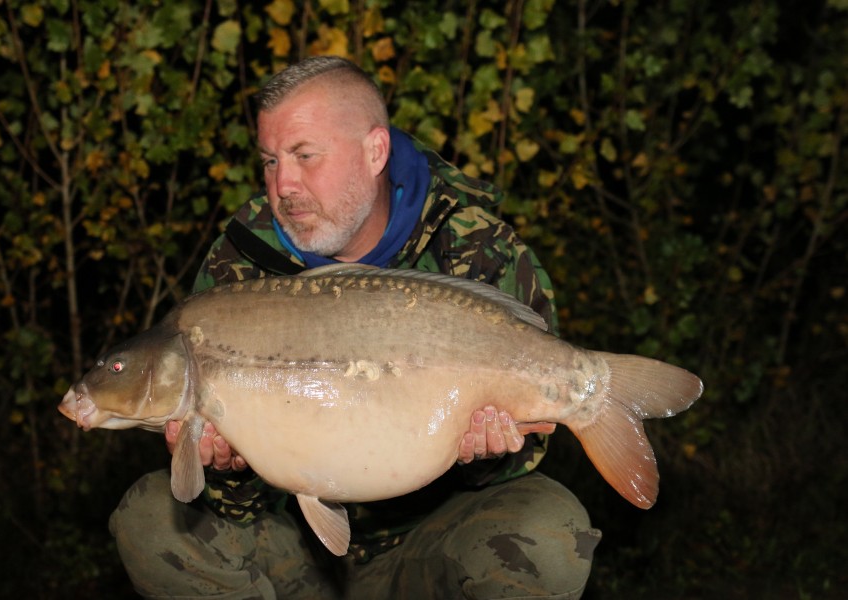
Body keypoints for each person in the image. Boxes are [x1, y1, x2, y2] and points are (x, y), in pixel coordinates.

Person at [110, 55, 601, 599]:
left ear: (375, 151)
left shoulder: (477, 248)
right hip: (292, 540)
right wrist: (227, 469)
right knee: (152, 518)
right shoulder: (241, 259)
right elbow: (228, 500)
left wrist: (487, 457)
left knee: (549, 534)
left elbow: (526, 454)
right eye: (270, 161)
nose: (283, 185)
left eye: (304, 156)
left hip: (429, 536)